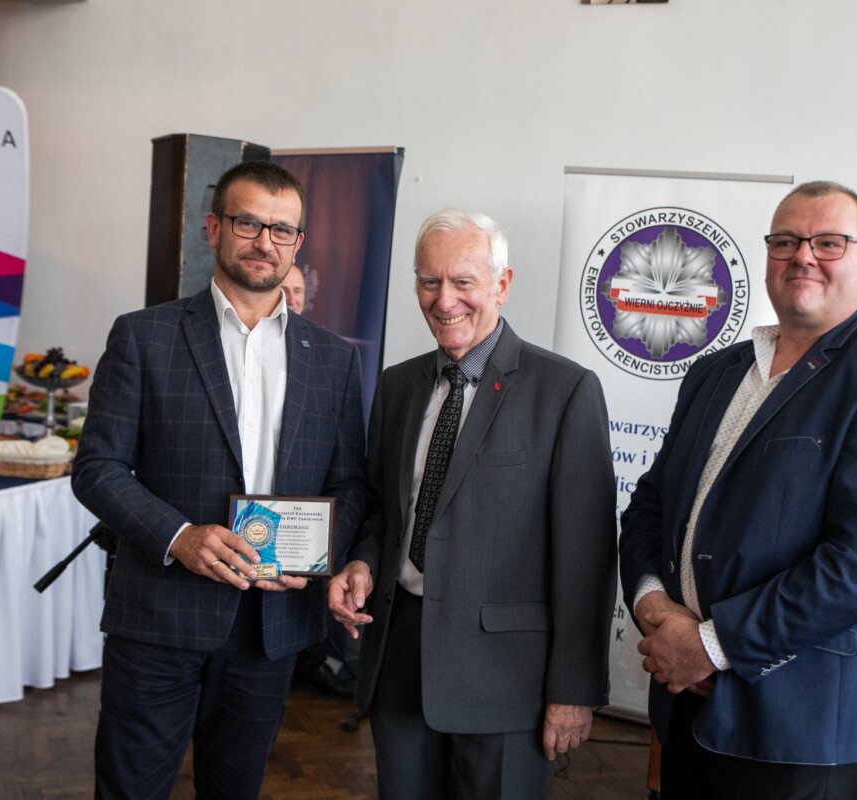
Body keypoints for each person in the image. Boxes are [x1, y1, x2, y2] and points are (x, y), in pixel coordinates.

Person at [618, 181, 857, 799]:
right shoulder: (715, 371)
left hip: (798, 727)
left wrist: (710, 645)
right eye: (785, 241)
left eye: (829, 242)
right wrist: (652, 606)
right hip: (685, 704)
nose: (803, 256)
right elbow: (650, 506)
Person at [72, 160, 367, 800]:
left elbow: (349, 484)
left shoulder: (335, 359)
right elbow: (96, 468)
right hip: (160, 617)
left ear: (298, 243)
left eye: (281, 230)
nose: (265, 242)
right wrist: (179, 536)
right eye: (247, 223)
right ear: (213, 228)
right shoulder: (143, 336)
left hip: (271, 627)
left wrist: (317, 556)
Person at [328, 208, 617, 800]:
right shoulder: (398, 384)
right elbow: (384, 508)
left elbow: (586, 554)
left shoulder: (565, 390)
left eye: (463, 281)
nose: (444, 300)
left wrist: (574, 689)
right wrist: (361, 560)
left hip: (508, 678)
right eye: (429, 281)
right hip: (399, 660)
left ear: (502, 285)